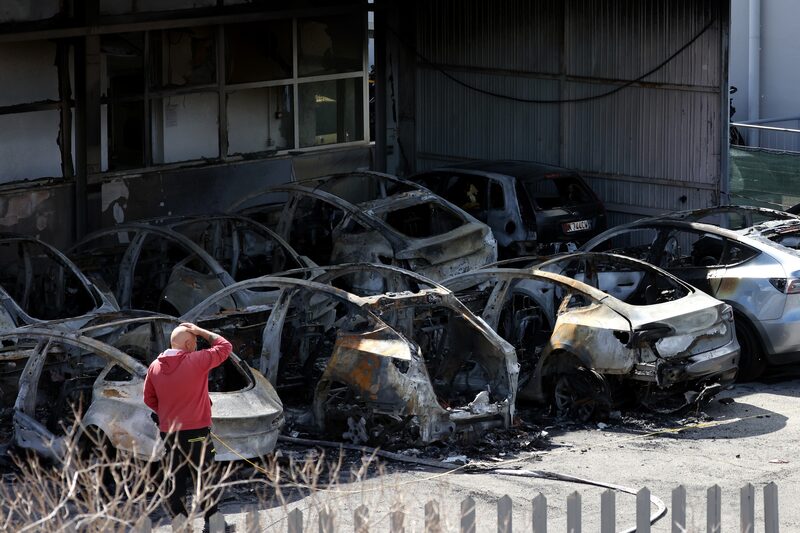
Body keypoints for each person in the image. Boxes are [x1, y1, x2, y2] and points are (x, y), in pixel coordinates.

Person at [143, 322, 232, 528]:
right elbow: (225, 347)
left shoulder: (155, 366)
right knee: (205, 476)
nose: (197, 346)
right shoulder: (196, 360)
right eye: (195, 342)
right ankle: (214, 523)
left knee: (176, 479)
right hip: (197, 433)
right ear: (189, 344)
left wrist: (168, 413)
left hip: (169, 433)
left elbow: (149, 399)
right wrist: (201, 330)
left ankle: (180, 524)